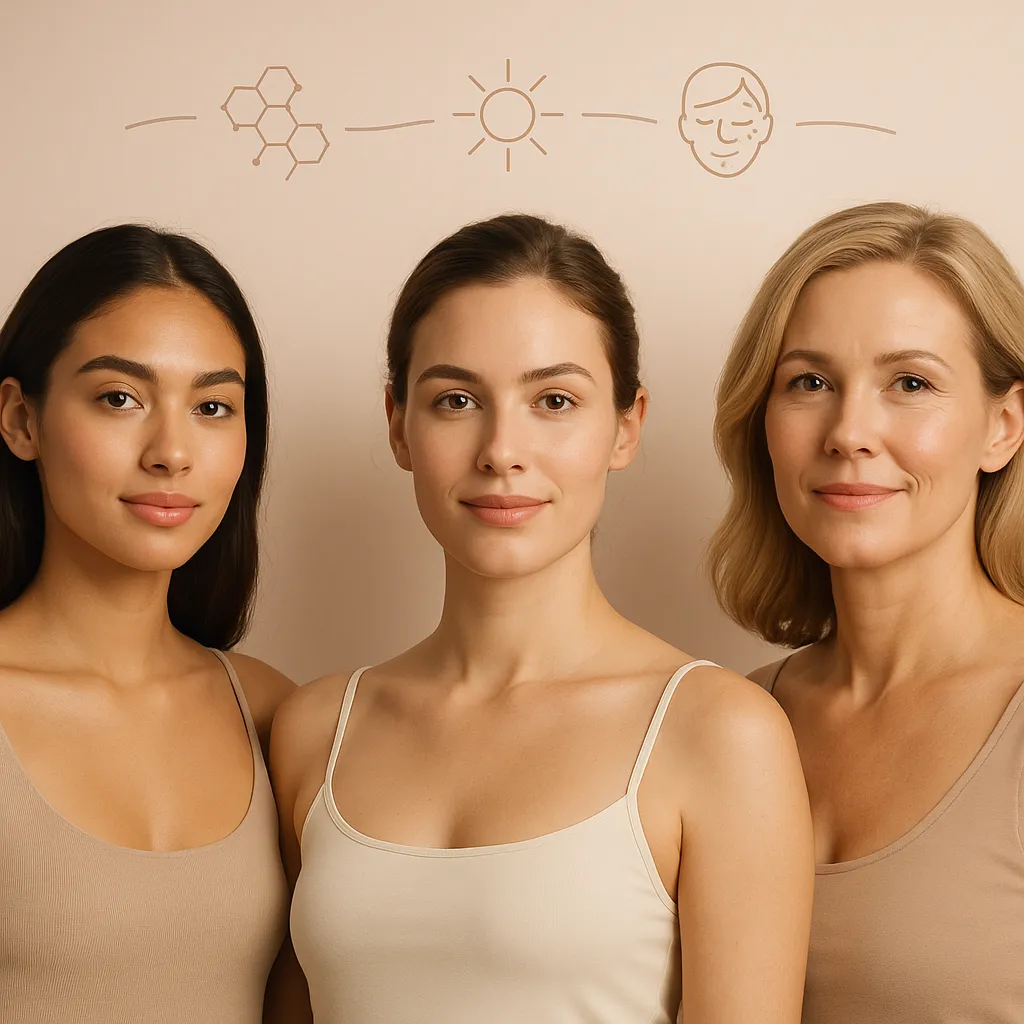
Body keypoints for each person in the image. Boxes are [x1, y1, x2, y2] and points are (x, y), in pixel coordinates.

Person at [270, 213, 813, 1023]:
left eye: (554, 400)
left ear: (625, 427)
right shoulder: (316, 728)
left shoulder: (719, 732)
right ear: (398, 425)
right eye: (456, 400)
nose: (502, 450)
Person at [708, 201, 1024, 1021]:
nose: (849, 432)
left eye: (910, 384)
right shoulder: (726, 721)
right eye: (809, 383)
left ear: (1003, 427)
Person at [0, 224, 295, 1023]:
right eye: (119, 398)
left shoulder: (275, 716)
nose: (172, 452)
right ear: (21, 420)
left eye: (212, 406)